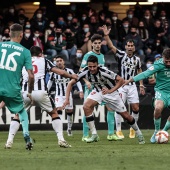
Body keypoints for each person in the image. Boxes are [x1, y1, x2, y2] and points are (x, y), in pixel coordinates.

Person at [5, 46, 78, 149]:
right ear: (40, 53)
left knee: (17, 115)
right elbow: (60, 72)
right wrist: (72, 76)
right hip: (41, 92)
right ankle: (61, 139)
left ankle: (9, 141)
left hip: (25, 92)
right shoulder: (44, 60)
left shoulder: (23, 62)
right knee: (54, 113)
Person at [63, 55, 145, 144]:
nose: (92, 69)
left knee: (126, 116)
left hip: (112, 94)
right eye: (90, 66)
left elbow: (121, 80)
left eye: (94, 66)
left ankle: (138, 133)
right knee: (86, 106)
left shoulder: (104, 71)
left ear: (98, 65)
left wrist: (110, 90)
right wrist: (67, 99)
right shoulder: (85, 71)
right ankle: (94, 135)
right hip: (98, 91)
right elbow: (70, 84)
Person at [102, 25, 145, 139]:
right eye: (128, 45)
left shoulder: (137, 59)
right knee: (119, 107)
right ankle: (119, 130)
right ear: (125, 47)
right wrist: (106, 35)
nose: (130, 47)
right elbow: (111, 46)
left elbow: (139, 71)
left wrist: (141, 84)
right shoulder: (121, 55)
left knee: (135, 108)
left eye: (132, 46)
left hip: (132, 86)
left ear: (134, 48)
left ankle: (132, 128)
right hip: (121, 86)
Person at [123, 48, 170, 143]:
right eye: (166, 61)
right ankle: (157, 131)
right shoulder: (158, 64)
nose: (168, 63)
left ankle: (164, 131)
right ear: (163, 58)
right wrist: (130, 80)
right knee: (158, 108)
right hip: (161, 91)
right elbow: (145, 73)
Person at [80, 34, 121, 142]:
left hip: (102, 87)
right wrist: (87, 81)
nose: (98, 45)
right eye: (95, 43)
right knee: (87, 109)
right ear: (92, 44)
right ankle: (85, 135)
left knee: (110, 108)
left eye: (99, 43)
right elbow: (81, 71)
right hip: (90, 87)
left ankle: (111, 134)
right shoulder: (88, 55)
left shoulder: (102, 56)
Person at [0, 23, 34, 150]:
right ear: (21, 35)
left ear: (9, 34)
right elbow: (31, 76)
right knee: (21, 111)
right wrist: (29, 91)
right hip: (12, 89)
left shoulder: (0, 46)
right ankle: (26, 134)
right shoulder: (25, 52)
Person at [47, 55, 84, 136]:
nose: (59, 62)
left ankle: (69, 128)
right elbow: (50, 82)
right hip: (58, 95)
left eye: (60, 60)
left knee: (69, 111)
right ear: (55, 63)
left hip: (68, 95)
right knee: (58, 110)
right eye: (57, 61)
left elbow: (77, 80)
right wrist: (46, 91)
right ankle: (60, 130)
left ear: (63, 61)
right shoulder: (54, 72)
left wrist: (81, 91)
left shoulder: (69, 71)